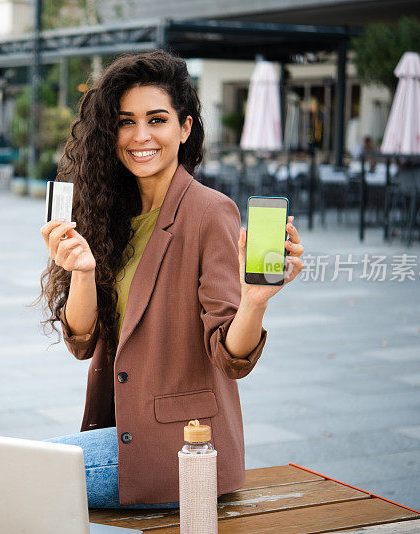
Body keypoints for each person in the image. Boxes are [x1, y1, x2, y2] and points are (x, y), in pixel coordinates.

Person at [38, 50, 305, 508]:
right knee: (9, 474)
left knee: (18, 475)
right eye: (125, 122)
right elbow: (82, 342)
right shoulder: (108, 213)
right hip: (120, 434)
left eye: (156, 120)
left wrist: (255, 300)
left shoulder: (209, 211)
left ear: (184, 128)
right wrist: (81, 273)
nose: (140, 136)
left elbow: (230, 357)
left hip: (183, 450)